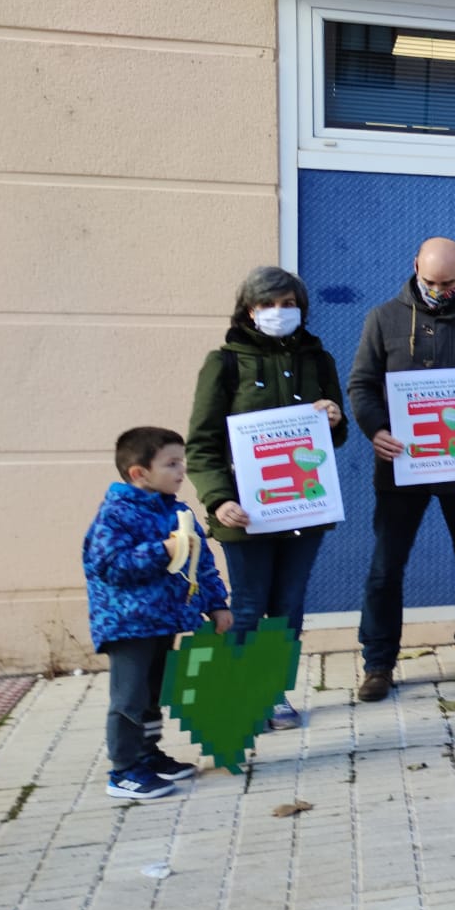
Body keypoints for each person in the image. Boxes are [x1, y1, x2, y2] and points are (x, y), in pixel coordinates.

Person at [347, 237, 455, 701]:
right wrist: (375, 429)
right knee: (386, 568)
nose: (439, 290)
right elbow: (361, 384)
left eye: (449, 282)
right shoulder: (383, 318)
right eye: (430, 281)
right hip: (402, 467)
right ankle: (378, 664)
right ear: (414, 269)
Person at [185, 266, 348, 730]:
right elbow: (201, 443)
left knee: (289, 604)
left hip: (303, 506)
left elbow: (335, 438)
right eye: (269, 305)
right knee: (250, 605)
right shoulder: (225, 363)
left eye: (289, 304)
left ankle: (274, 693)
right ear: (249, 311)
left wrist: (334, 418)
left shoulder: (319, 360)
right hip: (245, 511)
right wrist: (218, 500)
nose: (280, 312)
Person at [84, 426, 232, 800]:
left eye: (182, 462)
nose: (181, 471)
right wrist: (162, 550)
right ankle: (123, 771)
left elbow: (202, 562)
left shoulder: (178, 511)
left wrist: (216, 604)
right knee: (129, 697)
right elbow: (109, 565)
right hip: (128, 625)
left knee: (153, 693)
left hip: (164, 620)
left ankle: (149, 756)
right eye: (171, 464)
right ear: (139, 473)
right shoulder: (116, 514)